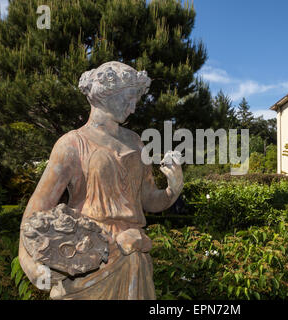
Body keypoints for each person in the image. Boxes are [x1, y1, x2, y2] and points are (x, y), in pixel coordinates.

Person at [18, 61, 183, 299]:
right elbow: (38, 207)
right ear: (105, 95)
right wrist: (31, 264)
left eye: (136, 99)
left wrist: (172, 190)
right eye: (128, 98)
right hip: (89, 258)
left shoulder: (136, 142)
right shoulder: (72, 143)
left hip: (134, 256)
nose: (133, 107)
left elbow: (148, 200)